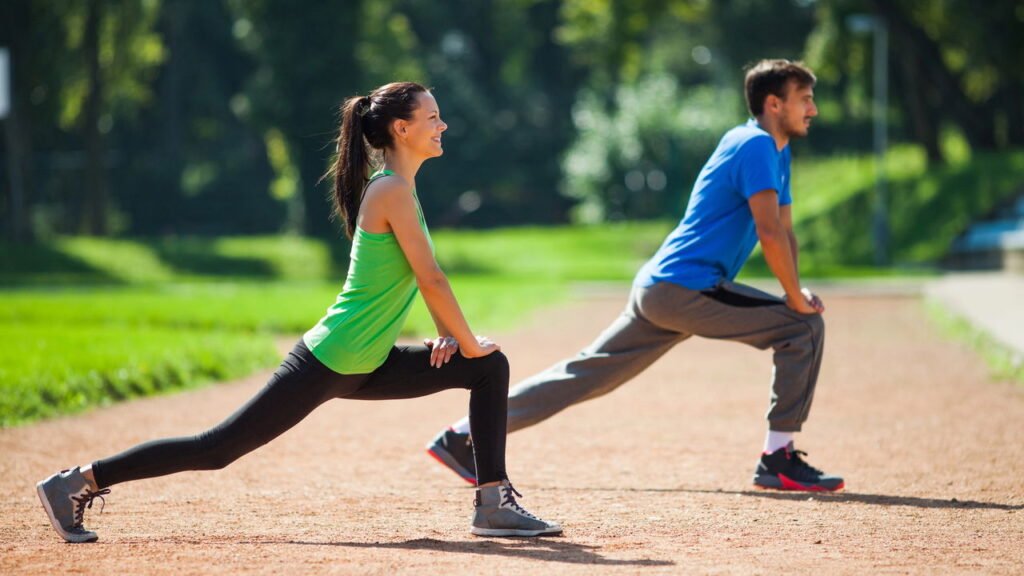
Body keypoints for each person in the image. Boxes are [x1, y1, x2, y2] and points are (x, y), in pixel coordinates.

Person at [36, 82, 561, 543]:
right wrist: (464, 340)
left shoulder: (403, 189)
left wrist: (453, 337)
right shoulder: (392, 190)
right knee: (218, 448)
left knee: (488, 369)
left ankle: (491, 502)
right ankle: (77, 481)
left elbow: (424, 280)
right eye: (432, 118)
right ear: (402, 129)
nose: (443, 125)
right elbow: (432, 279)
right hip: (331, 359)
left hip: (367, 362)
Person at [427, 60, 844, 493]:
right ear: (774, 104)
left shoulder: (775, 151)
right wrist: (795, 300)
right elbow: (769, 232)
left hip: (663, 287)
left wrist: (795, 289)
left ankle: (462, 437)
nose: (812, 109)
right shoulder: (754, 144)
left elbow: (786, 230)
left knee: (584, 374)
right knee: (803, 327)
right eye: (805, 99)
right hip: (687, 287)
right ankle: (778, 457)